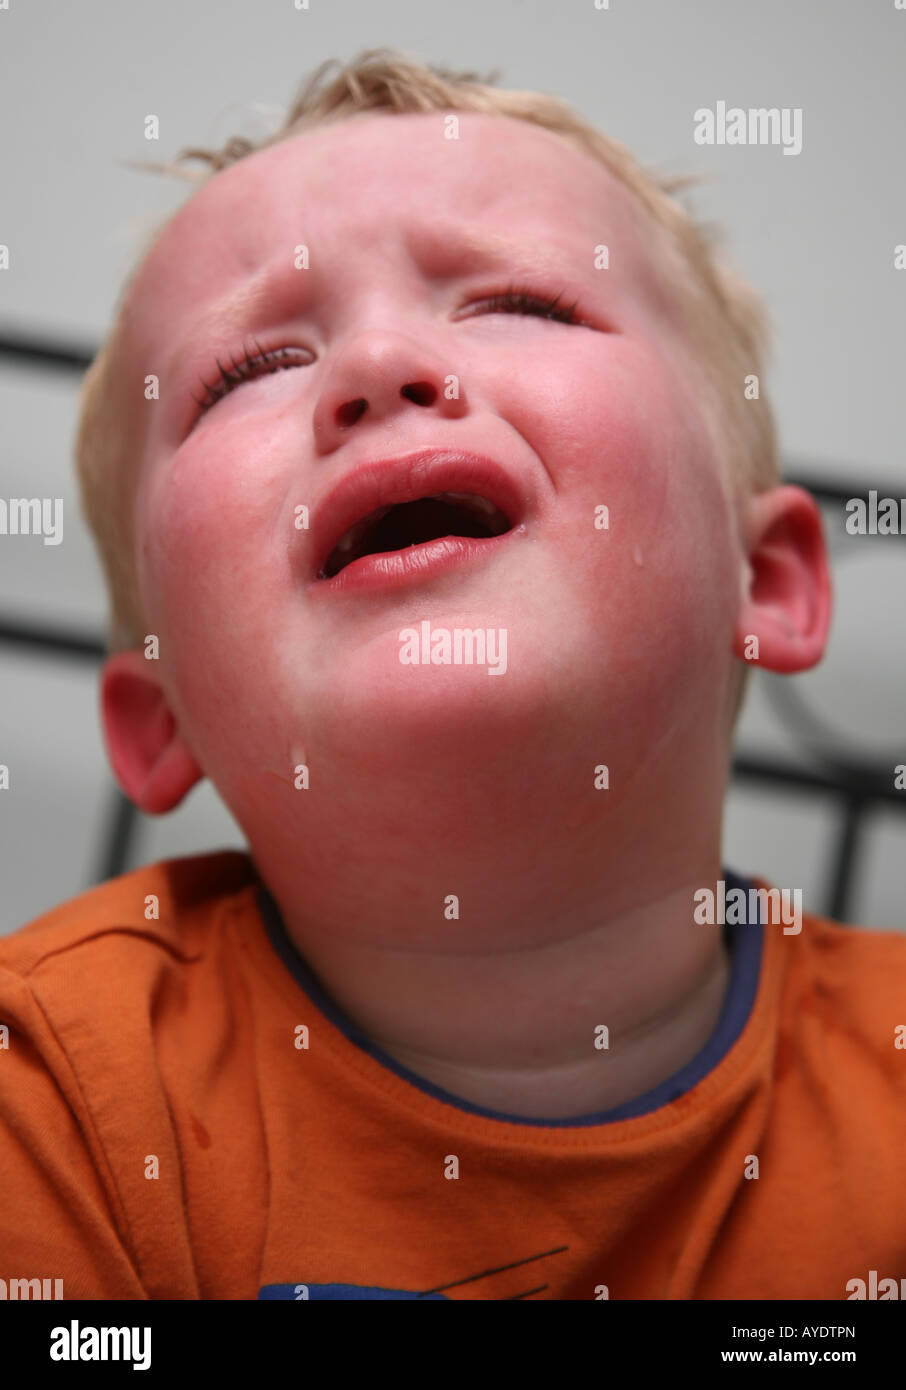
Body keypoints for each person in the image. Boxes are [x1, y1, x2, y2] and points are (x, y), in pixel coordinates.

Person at [2, 48, 903, 1301]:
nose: (376, 371)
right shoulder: (55, 1099)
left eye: (521, 305)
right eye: (250, 370)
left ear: (770, 583)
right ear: (160, 716)